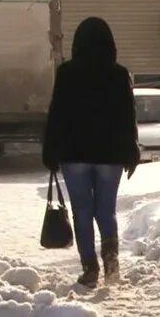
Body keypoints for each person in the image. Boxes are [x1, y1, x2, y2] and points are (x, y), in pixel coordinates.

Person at [43, 17, 140, 288]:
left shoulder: (66, 73)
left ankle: (89, 268)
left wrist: (50, 150)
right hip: (110, 156)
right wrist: (131, 149)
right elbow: (127, 116)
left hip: (75, 155)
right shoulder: (119, 74)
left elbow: (57, 115)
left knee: (82, 212)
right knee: (106, 211)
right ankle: (111, 261)